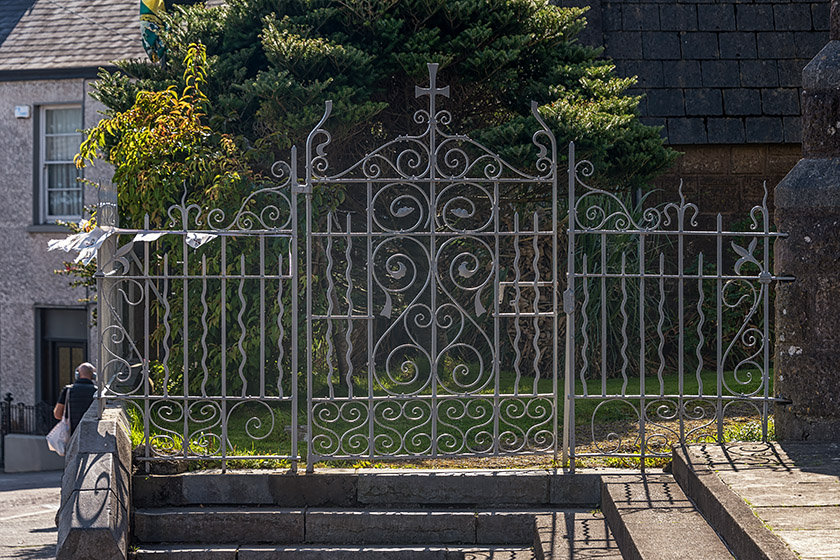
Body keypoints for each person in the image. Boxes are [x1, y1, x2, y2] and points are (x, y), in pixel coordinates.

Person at [53, 362, 97, 433]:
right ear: (94, 376)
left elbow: (57, 414)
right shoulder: (96, 391)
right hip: (90, 431)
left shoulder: (68, 390)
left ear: (77, 375)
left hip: (71, 432)